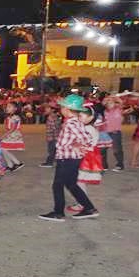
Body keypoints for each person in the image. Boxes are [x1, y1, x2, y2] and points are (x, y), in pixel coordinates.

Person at [38, 94, 99, 222]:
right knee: (71, 184)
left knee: (57, 185)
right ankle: (89, 208)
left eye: (62, 107)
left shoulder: (72, 123)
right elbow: (83, 138)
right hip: (70, 158)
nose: (61, 109)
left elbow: (86, 139)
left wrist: (77, 145)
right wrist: (76, 144)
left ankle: (58, 212)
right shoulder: (74, 122)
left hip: (67, 158)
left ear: (67, 109)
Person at [67, 105, 102, 213]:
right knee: (79, 181)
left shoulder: (87, 129)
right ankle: (81, 201)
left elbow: (82, 144)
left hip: (85, 157)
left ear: (90, 118)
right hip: (87, 156)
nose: (78, 118)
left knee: (79, 181)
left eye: (81, 116)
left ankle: (82, 203)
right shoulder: (88, 128)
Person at [102, 95, 128, 172]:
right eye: (108, 102)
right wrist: (106, 99)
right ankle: (104, 165)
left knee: (117, 149)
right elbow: (102, 104)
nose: (110, 103)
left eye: (111, 102)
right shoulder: (103, 111)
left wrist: (114, 97)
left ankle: (120, 164)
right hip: (105, 133)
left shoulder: (118, 109)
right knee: (102, 149)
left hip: (115, 133)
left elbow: (121, 102)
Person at [1, 101, 25, 171]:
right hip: (10, 134)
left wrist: (3, 136)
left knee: (3, 148)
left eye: (9, 107)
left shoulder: (16, 117)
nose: (7, 108)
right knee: (3, 148)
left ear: (15, 109)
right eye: (7, 106)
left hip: (13, 135)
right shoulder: (9, 116)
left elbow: (13, 129)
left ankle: (17, 163)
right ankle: (10, 165)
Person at [39, 103, 61, 168]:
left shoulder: (51, 117)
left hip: (53, 137)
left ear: (52, 110)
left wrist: (53, 137)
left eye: (47, 108)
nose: (45, 109)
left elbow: (54, 128)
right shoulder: (55, 116)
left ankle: (49, 163)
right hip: (55, 136)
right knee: (54, 150)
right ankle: (55, 162)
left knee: (51, 151)